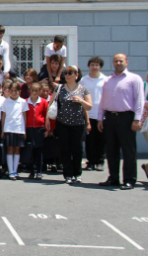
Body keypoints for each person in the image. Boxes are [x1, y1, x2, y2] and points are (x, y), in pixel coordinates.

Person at [97, 54, 145, 190]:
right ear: (113, 63)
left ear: (126, 62)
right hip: (110, 118)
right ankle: (113, 178)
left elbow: (139, 100)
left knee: (128, 150)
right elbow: (103, 100)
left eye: (121, 61)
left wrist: (137, 119)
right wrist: (100, 118)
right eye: (116, 61)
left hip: (126, 118)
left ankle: (129, 179)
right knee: (111, 150)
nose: (118, 63)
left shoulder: (134, 79)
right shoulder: (108, 80)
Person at [47, 65, 92, 185]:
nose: (67, 75)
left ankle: (77, 173)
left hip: (78, 124)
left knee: (77, 149)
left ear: (77, 75)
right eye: (66, 73)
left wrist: (81, 101)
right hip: (63, 123)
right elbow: (51, 103)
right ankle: (67, 174)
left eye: (70, 73)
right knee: (65, 149)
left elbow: (89, 106)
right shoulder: (60, 88)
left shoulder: (83, 89)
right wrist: (47, 119)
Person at [80, 56, 108, 171]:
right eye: (92, 65)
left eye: (97, 65)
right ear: (89, 66)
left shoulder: (105, 80)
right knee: (90, 140)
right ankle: (91, 162)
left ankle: (100, 161)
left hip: (102, 114)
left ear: (100, 67)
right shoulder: (84, 80)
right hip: (88, 114)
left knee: (101, 139)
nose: (94, 67)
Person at [2, 83, 27, 180]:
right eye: (11, 91)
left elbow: (24, 116)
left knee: (17, 149)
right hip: (8, 128)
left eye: (15, 91)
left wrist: (24, 131)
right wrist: (3, 130)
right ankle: (10, 171)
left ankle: (15, 171)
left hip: (19, 129)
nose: (13, 93)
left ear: (19, 92)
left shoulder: (22, 102)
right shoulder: (6, 102)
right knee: (10, 149)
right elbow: (3, 116)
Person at [25, 82, 48, 179]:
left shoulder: (43, 102)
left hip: (39, 129)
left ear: (39, 92)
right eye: (33, 90)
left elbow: (46, 115)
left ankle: (39, 171)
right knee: (30, 151)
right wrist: (24, 131)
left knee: (39, 151)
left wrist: (47, 129)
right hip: (29, 129)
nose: (34, 92)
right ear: (30, 91)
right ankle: (31, 171)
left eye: (36, 91)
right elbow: (24, 117)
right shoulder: (25, 101)